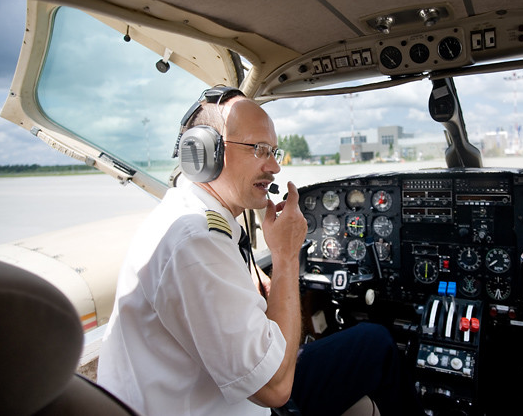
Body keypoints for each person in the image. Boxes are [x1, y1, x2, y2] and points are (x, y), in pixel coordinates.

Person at [98, 87, 420, 416]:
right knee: (376, 343)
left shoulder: (192, 219)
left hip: (223, 397)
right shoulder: (196, 241)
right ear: (206, 151)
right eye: (259, 149)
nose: (275, 167)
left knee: (369, 342)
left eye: (274, 152)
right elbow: (276, 389)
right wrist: (285, 256)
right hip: (246, 405)